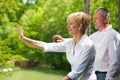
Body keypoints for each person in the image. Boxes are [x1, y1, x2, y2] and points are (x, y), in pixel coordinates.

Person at [18, 12, 96, 80]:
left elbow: (77, 72)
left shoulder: (88, 46)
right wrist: (24, 39)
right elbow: (46, 46)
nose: (67, 26)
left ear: (79, 26)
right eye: (68, 24)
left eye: (71, 24)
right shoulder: (69, 43)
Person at [52, 8, 120, 80]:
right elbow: (81, 41)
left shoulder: (113, 36)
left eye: (96, 18)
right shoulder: (95, 35)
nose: (94, 21)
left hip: (104, 75)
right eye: (93, 18)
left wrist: (109, 78)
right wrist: (63, 40)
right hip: (93, 75)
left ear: (106, 19)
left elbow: (115, 62)